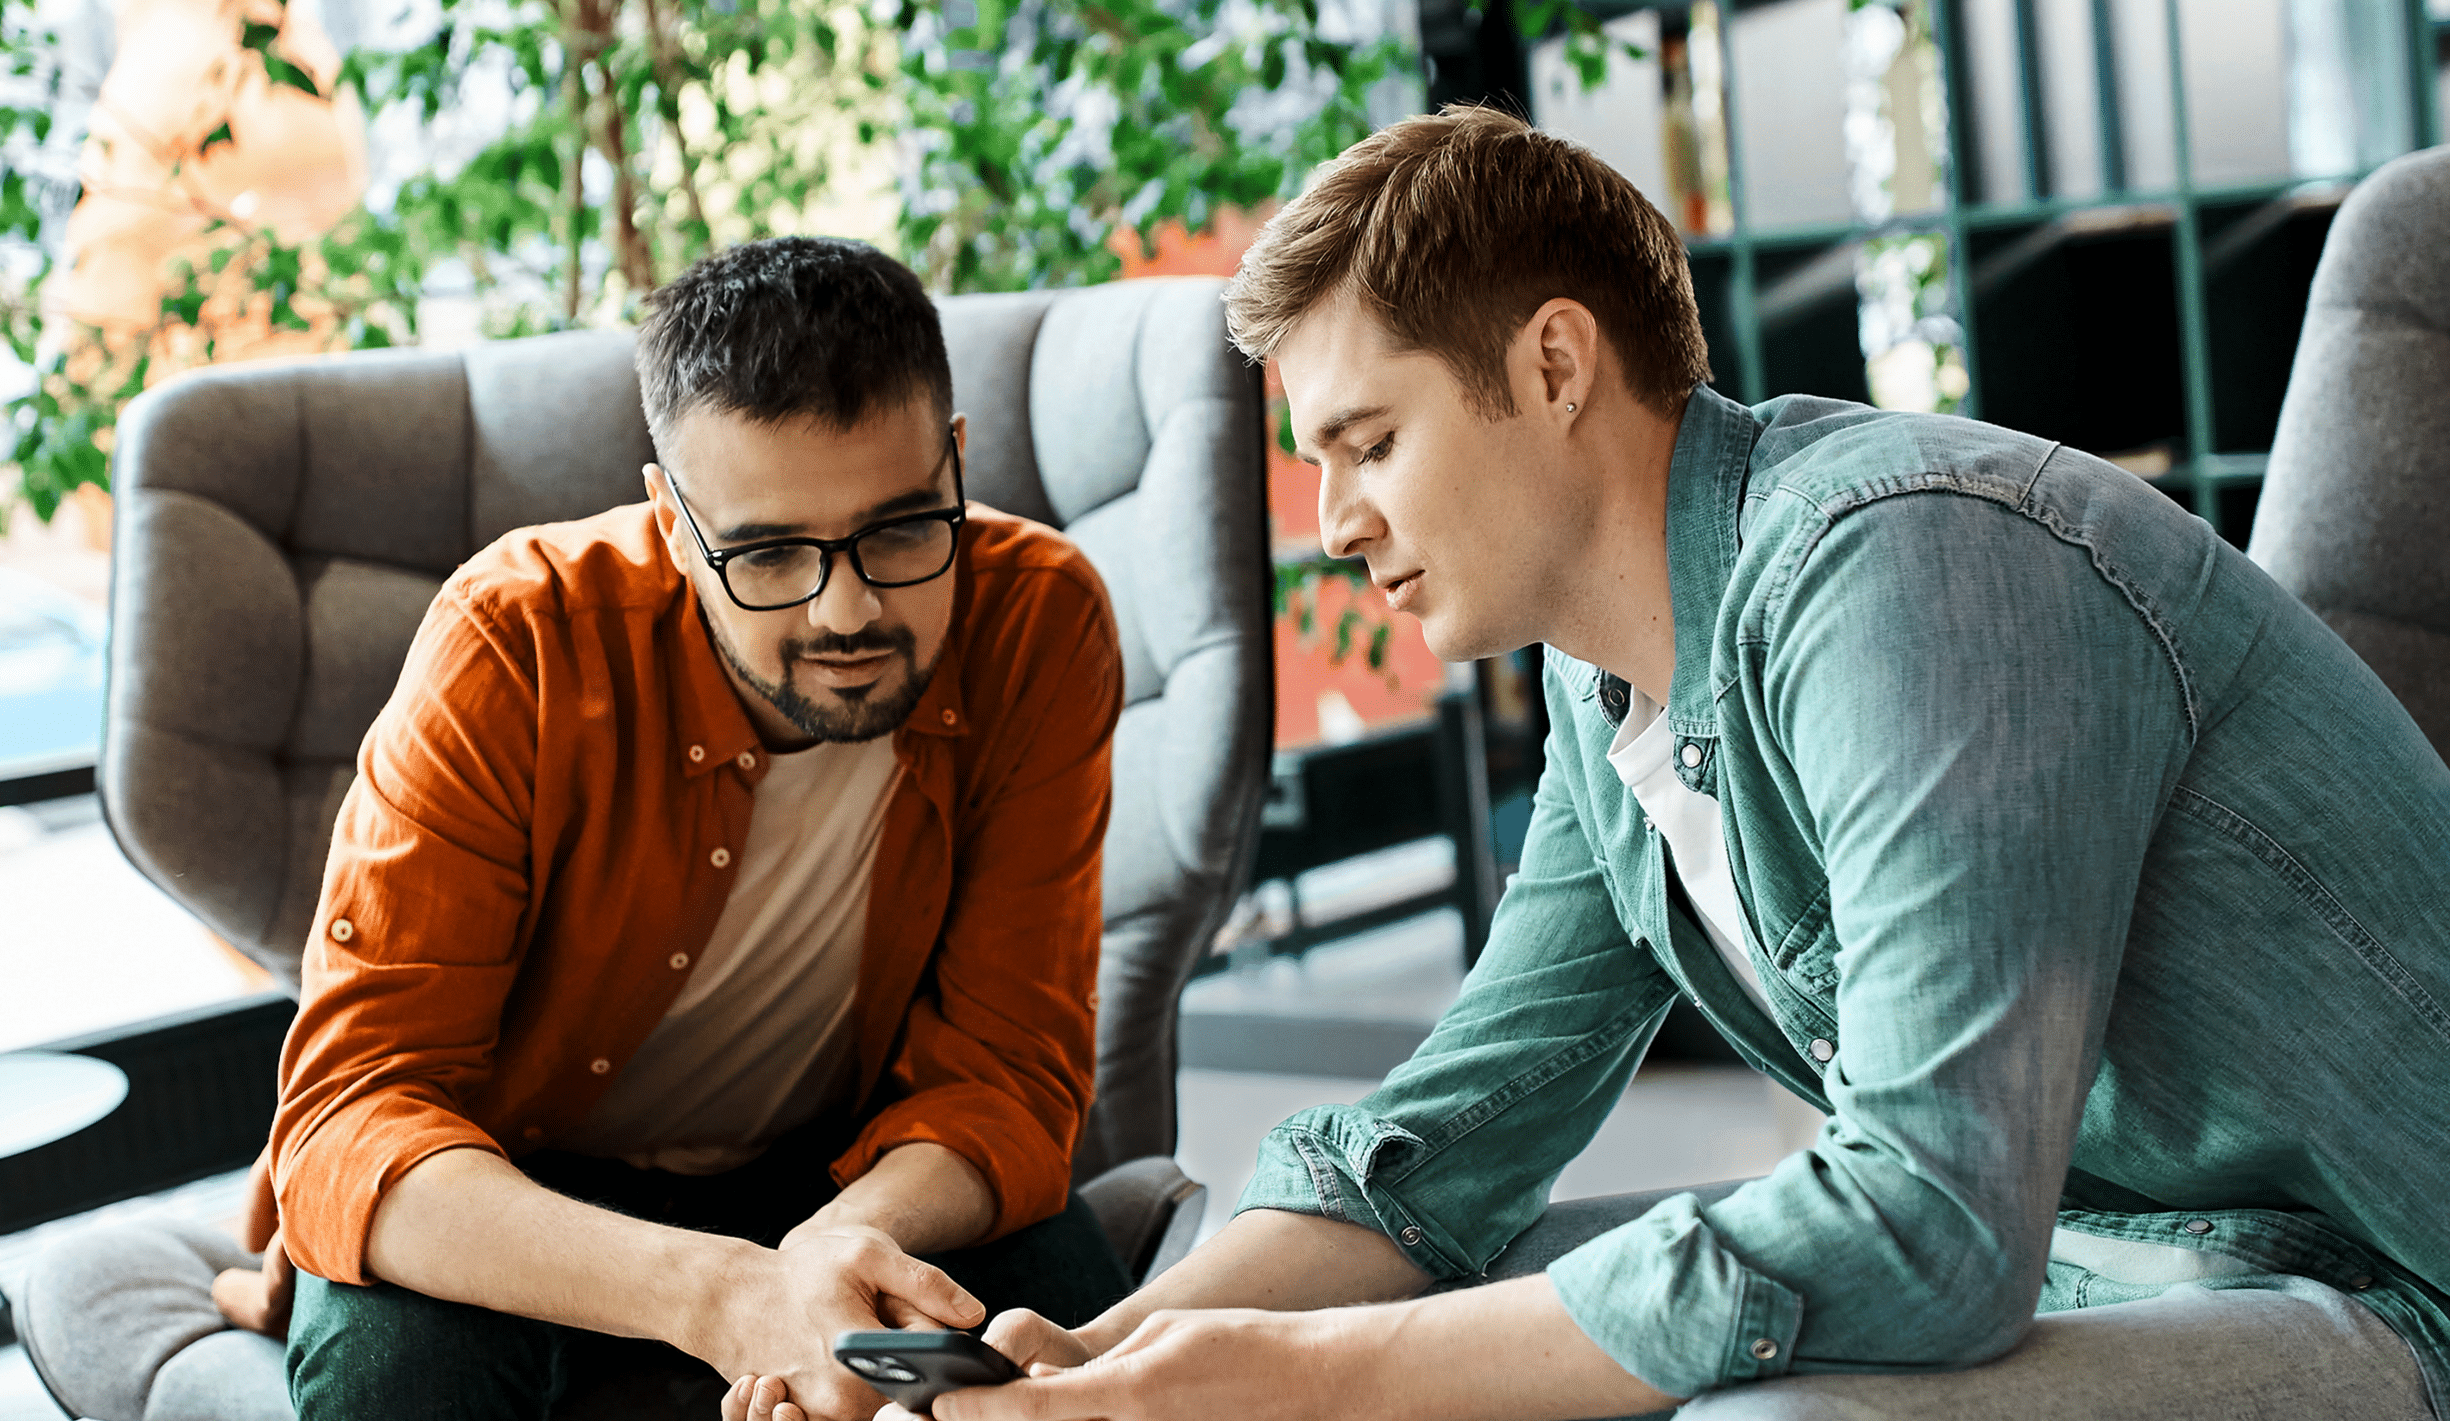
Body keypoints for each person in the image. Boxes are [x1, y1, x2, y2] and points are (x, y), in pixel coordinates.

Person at [913, 106, 2450, 1421]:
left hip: (2371, 1281)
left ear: (1557, 364)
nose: (1334, 521)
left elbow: (1930, 1220)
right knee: (1439, 1313)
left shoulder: (1908, 571)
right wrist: (1114, 1362)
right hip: (2096, 1259)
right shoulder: (1610, 690)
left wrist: (1310, 1377)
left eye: (1370, 444)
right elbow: (1453, 1139)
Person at [209, 236, 1133, 1421]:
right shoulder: (513, 643)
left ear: (955, 464)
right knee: (399, 1380)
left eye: (902, 530)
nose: (845, 610)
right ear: (671, 519)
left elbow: (1006, 1071)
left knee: (1072, 1378)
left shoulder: (1039, 620)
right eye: (766, 553)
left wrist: (831, 1255)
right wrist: (721, 1296)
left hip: (858, 1166)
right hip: (524, 1181)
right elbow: (352, 1112)